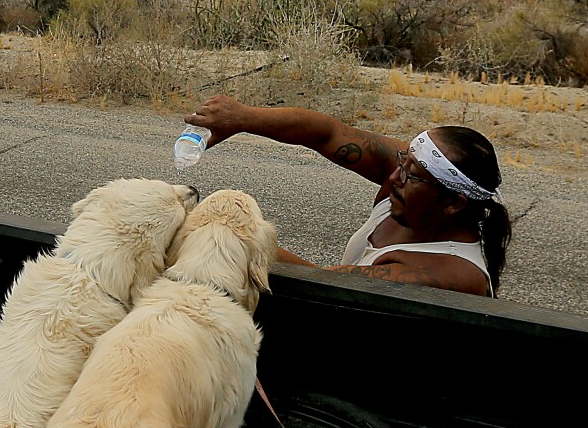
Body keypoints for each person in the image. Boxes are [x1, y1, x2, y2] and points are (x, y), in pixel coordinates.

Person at [185, 94, 511, 297]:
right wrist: (242, 117)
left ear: (454, 204)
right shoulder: (418, 180)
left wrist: (225, 234)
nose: (395, 175)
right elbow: (329, 133)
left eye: (411, 175)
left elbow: (317, 283)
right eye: (403, 161)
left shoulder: (445, 275)